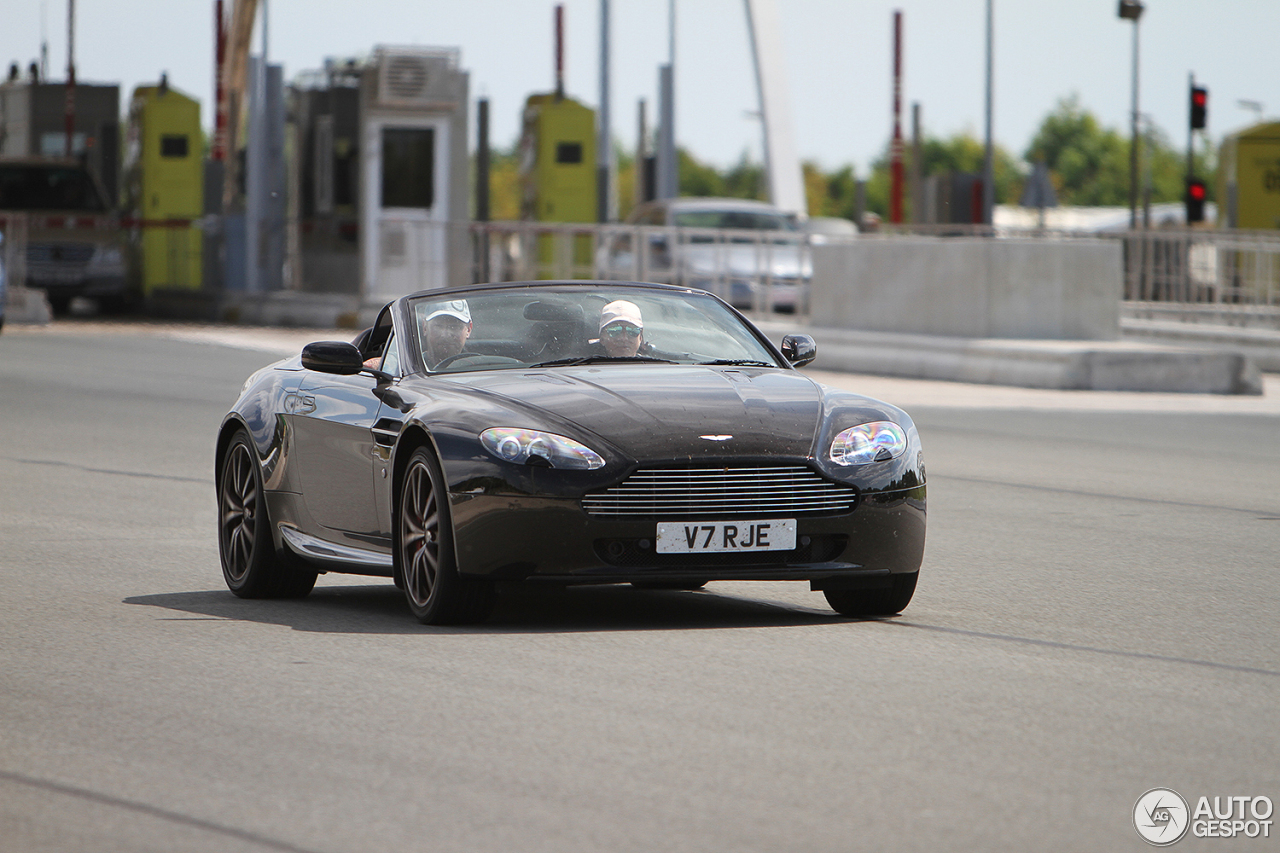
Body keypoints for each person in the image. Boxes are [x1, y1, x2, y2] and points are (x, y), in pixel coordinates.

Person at [420, 299, 472, 368]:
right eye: (438, 326)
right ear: (425, 328)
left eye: (454, 327)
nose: (446, 335)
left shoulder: (478, 368)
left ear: (468, 329)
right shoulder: (413, 368)